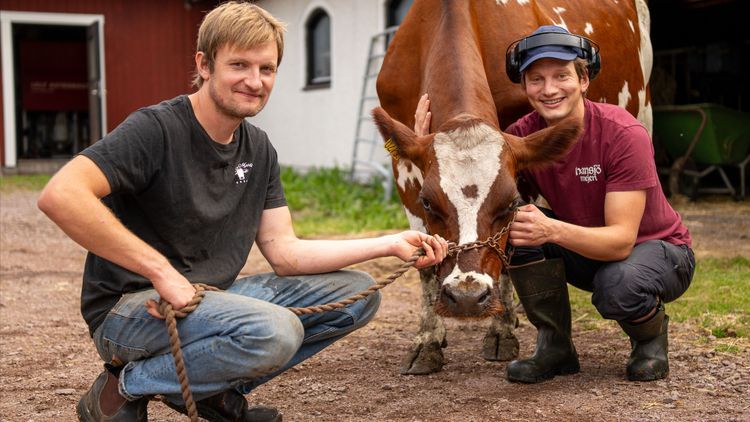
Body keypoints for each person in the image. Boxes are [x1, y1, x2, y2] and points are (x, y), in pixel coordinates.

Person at [38, 2, 449, 421]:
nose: (255, 81)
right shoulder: (156, 128)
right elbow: (61, 195)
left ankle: (208, 390)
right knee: (275, 332)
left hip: (208, 301)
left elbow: (285, 252)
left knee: (356, 296)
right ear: (204, 65)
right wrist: (160, 272)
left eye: (266, 69)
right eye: (239, 65)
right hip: (132, 311)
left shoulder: (258, 148)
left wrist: (389, 244)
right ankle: (121, 388)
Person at [413, 25, 694, 384]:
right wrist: (424, 149)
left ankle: (650, 340)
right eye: (536, 79)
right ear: (525, 86)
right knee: (516, 226)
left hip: (656, 251)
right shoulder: (520, 138)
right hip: (585, 249)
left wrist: (551, 230)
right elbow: (473, 184)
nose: (549, 89)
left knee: (618, 284)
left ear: (583, 80)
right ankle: (555, 347)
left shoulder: (622, 133)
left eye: (561, 76)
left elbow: (622, 241)